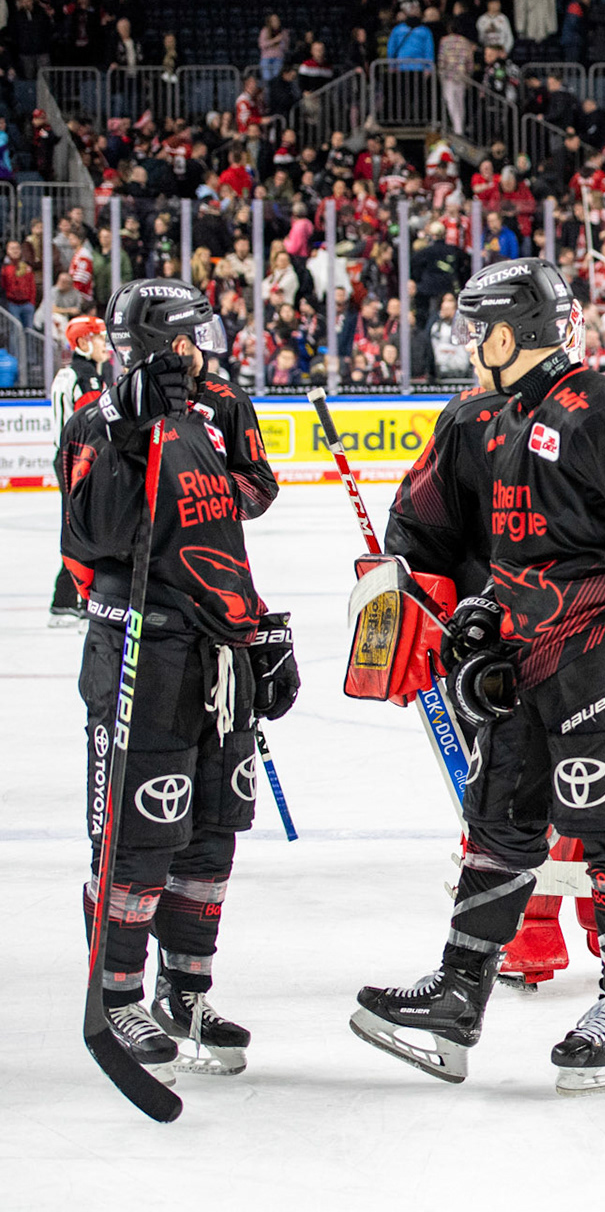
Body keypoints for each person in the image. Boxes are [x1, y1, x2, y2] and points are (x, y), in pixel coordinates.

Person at [353, 259, 605, 1095]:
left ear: (511, 333)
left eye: (474, 327)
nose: (463, 342)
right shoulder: (478, 420)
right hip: (521, 659)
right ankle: (458, 997)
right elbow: (424, 529)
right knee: (499, 822)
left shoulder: (593, 408)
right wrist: (441, 608)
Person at [58, 280, 294, 1078]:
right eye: (190, 337)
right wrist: (128, 432)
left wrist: (257, 630)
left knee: (212, 834)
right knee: (137, 835)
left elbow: (224, 530)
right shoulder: (99, 421)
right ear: (158, 343)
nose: (202, 350)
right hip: (141, 654)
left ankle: (185, 989)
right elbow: (89, 539)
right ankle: (117, 994)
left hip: (215, 654)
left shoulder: (211, 411)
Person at [48, 314, 114, 627]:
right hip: (77, 464)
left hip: (77, 461)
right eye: (100, 338)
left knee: (83, 529)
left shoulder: (80, 373)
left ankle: (73, 600)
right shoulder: (80, 377)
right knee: (83, 530)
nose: (106, 345)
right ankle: (71, 600)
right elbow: (85, 431)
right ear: (84, 342)